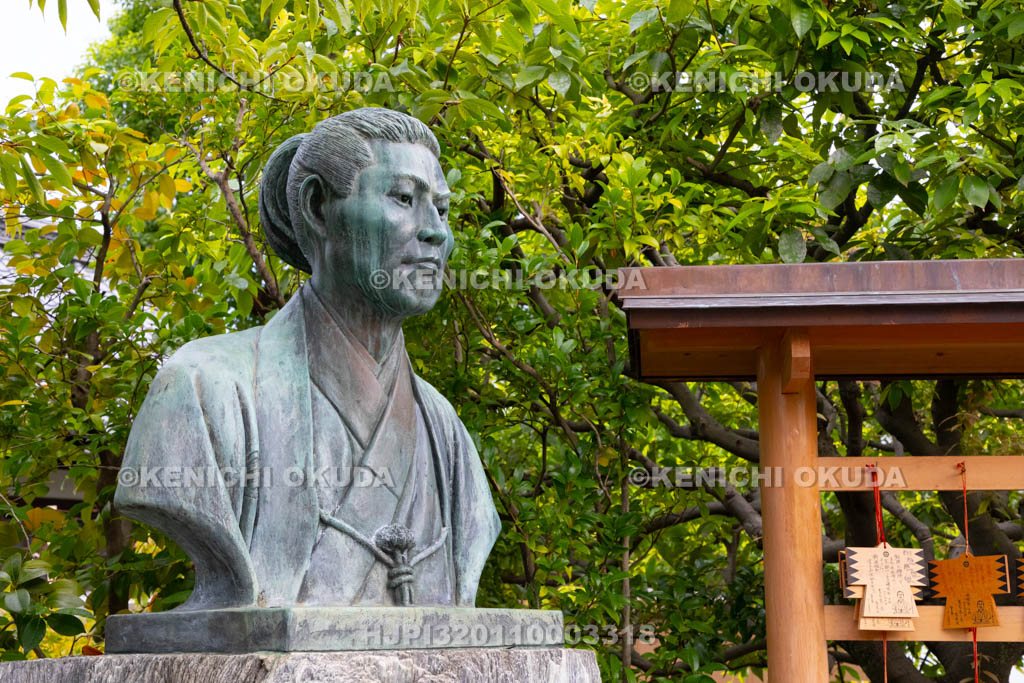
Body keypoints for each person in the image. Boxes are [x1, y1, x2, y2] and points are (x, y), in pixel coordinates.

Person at [115, 108, 500, 610]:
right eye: (403, 199)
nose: (435, 233)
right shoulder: (203, 387)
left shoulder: (443, 429)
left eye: (442, 211)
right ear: (318, 207)